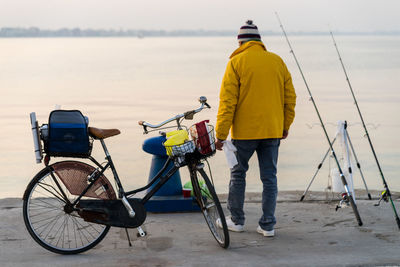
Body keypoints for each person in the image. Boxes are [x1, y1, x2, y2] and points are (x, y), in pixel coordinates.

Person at [215, 20, 296, 237]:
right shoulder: (277, 61)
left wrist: (220, 135)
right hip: (272, 130)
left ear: (240, 42)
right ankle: (267, 225)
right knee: (270, 178)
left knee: (238, 174)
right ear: (259, 41)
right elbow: (290, 98)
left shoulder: (236, 63)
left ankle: (237, 220)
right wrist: (285, 125)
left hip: (244, 133)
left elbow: (228, 102)